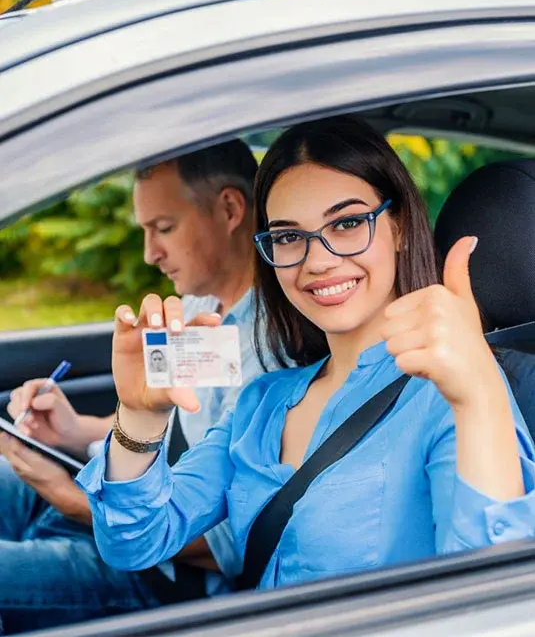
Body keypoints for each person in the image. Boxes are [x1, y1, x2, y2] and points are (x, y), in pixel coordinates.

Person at [78, 115, 535, 590]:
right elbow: (134, 543)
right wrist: (137, 416)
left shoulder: (454, 394)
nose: (317, 260)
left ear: (398, 226)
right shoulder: (260, 403)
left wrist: (478, 394)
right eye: (288, 236)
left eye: (349, 223)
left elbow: (492, 600)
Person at [0, 139, 267, 634]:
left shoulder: (268, 354)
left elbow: (225, 546)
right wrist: (73, 430)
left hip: (161, 574)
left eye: (164, 228)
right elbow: (163, 432)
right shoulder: (195, 308)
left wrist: (67, 498)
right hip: (112, 500)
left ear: (230, 208)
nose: (149, 254)